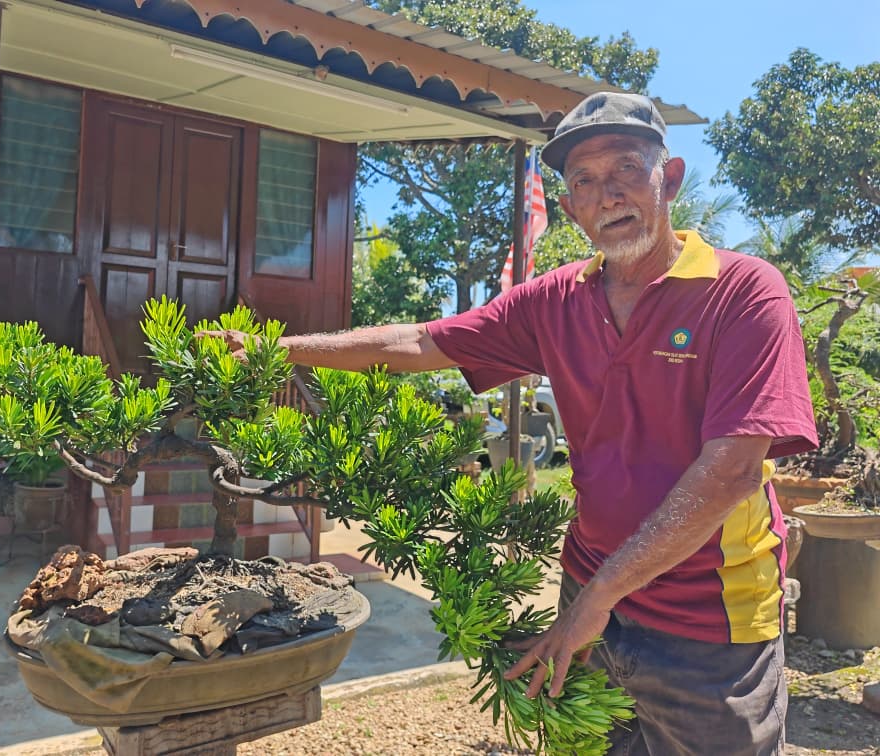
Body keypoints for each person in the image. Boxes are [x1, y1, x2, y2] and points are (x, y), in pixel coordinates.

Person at [216, 91, 818, 754]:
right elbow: (422, 341)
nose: (607, 195)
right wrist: (282, 349)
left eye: (624, 169)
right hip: (590, 598)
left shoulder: (743, 291)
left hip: (710, 624)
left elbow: (731, 469)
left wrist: (597, 598)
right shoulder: (557, 301)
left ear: (667, 179)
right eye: (584, 182)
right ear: (569, 209)